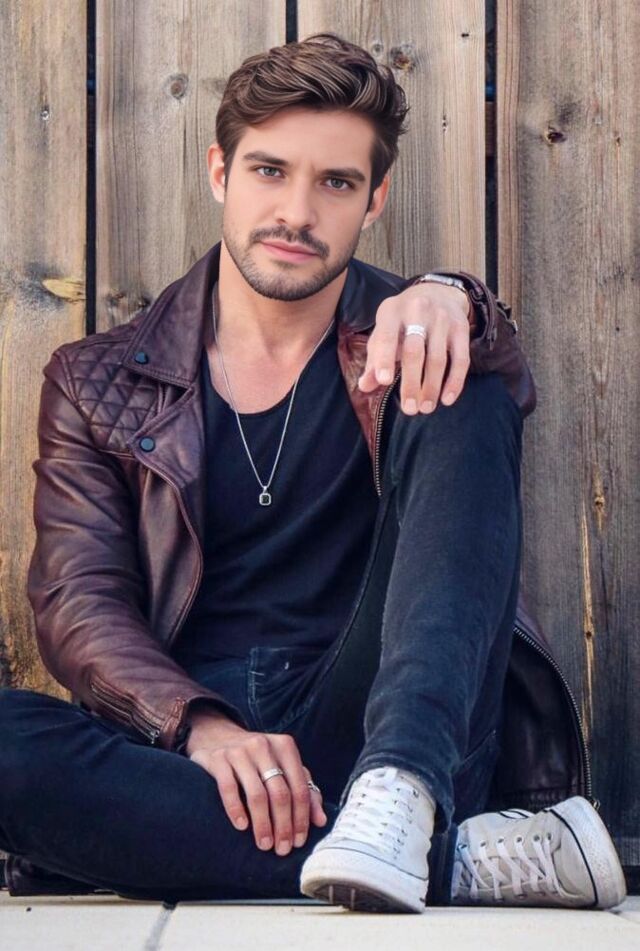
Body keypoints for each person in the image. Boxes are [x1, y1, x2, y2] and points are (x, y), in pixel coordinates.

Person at [0, 34, 626, 913]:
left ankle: (399, 800)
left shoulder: (407, 339)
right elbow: (79, 601)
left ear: (374, 201)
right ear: (220, 172)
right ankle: (456, 861)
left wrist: (452, 297)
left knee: (455, 374)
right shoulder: (94, 378)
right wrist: (199, 725)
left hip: (385, 721)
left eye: (335, 182)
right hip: (192, 758)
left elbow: (497, 367)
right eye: (269, 171)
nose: (296, 212)